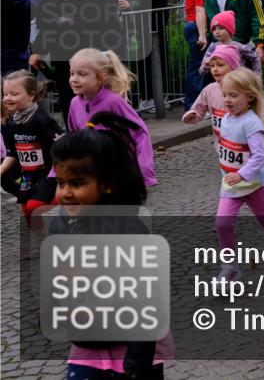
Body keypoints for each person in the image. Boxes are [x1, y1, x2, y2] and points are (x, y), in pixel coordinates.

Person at [49, 113, 173, 379]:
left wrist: (137, 365)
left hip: (132, 352)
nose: (66, 193)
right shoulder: (61, 223)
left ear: (107, 185)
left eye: (78, 183)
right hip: (88, 347)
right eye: (61, 183)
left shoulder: (128, 232)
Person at [213, 68, 264, 283]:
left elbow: (259, 156)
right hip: (231, 185)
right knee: (223, 224)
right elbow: (226, 148)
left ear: (249, 96)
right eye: (225, 95)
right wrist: (228, 170)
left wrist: (241, 174)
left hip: (256, 183)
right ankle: (230, 268)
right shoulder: (225, 119)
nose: (227, 100)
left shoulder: (252, 123)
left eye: (233, 95)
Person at [28, 0, 123, 125]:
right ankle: (76, 146)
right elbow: (46, 30)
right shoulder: (48, 2)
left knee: (100, 114)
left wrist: (108, 63)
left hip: (96, 68)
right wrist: (38, 51)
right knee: (70, 109)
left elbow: (113, 32)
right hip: (66, 68)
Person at [65, 48, 157, 187]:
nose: (74, 79)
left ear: (101, 78)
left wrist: (144, 171)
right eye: (72, 73)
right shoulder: (74, 103)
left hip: (117, 171)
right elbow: (73, 137)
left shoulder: (113, 102)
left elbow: (140, 133)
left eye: (82, 74)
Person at [118, 0, 182, 109]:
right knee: (146, 61)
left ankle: (160, 96)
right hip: (143, 24)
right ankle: (148, 99)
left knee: (161, 58)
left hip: (157, 23)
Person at [183, 44, 264, 141]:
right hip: (222, 145)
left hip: (243, 142)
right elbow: (198, 108)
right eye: (212, 66)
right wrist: (192, 115)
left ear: (233, 67)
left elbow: (263, 108)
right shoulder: (209, 90)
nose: (215, 69)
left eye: (220, 65)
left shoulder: (241, 88)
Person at [1, 70, 61, 222]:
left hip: (48, 173)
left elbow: (62, 143)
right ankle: (38, 243)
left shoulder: (41, 119)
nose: (7, 98)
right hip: (28, 175)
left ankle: (65, 200)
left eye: (14, 94)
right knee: (26, 211)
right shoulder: (14, 120)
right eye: (5, 94)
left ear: (31, 95)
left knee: (33, 207)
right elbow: (13, 152)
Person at [182, 0, 212, 110]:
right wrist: (202, 34)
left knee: (197, 66)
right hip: (197, 26)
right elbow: (201, 10)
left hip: (191, 25)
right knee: (199, 68)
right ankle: (194, 106)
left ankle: (194, 104)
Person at [198, 10, 263, 77]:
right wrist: (206, 66)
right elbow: (201, 71)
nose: (217, 32)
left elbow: (255, 58)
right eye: (214, 29)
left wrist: (257, 76)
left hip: (239, 81)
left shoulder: (238, 46)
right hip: (220, 81)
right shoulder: (213, 47)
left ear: (229, 29)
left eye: (221, 28)